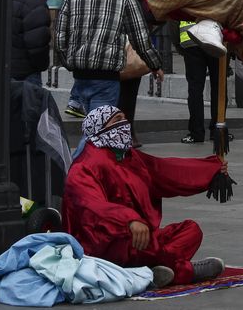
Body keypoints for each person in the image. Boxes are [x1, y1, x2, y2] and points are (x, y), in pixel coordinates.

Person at [62, 106, 228, 288]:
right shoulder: (84, 167)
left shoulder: (130, 157)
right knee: (144, 247)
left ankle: (150, 271)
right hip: (104, 242)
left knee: (191, 230)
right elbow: (92, 206)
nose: (124, 125)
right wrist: (130, 220)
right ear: (99, 128)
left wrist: (212, 169)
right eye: (117, 120)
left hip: (141, 236)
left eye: (124, 119)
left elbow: (166, 170)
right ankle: (184, 271)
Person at [55, 0, 164, 115]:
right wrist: (154, 64)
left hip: (81, 73)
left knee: (92, 127)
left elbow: (60, 37)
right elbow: (140, 37)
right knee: (100, 130)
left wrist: (70, 63)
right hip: (108, 74)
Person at [116, 0, 160, 147]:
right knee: (126, 97)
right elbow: (142, 23)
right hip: (128, 49)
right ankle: (125, 133)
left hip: (115, 51)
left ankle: (123, 132)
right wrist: (154, 63)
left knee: (121, 96)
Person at [11, 0, 51, 88]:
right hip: (27, 73)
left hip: (9, 70)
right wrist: (41, 65)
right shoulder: (34, 0)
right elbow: (38, 41)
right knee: (30, 107)